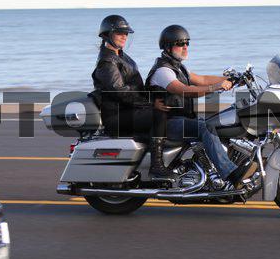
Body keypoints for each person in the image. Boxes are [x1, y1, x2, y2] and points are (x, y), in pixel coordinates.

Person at [145, 25, 256, 186]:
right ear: (168, 47)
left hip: (182, 118)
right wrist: (215, 87)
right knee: (206, 127)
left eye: (187, 43)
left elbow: (202, 79)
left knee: (218, 121)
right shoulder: (163, 71)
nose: (185, 47)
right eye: (180, 43)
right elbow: (185, 90)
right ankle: (230, 173)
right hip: (168, 123)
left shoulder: (178, 67)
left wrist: (234, 80)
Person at [91, 15, 174, 179]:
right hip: (116, 116)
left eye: (126, 33)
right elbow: (119, 91)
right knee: (159, 113)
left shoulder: (120, 55)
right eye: (119, 33)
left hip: (128, 110)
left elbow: (135, 86)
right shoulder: (107, 62)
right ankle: (157, 166)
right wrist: (151, 103)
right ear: (107, 34)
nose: (124, 36)